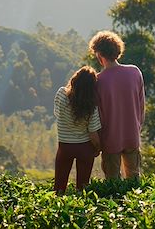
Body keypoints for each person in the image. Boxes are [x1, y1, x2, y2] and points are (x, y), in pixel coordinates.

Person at [89, 31, 145, 180]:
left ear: (100, 55)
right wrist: (137, 128)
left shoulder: (98, 81)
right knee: (134, 180)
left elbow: (97, 114)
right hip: (132, 135)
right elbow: (141, 107)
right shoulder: (135, 72)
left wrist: (97, 141)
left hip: (110, 139)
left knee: (112, 182)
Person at [53, 66, 102, 194]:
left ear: (74, 79)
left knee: (59, 187)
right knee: (83, 188)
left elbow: (57, 114)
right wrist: (97, 149)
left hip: (65, 147)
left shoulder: (61, 94)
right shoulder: (92, 106)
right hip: (85, 148)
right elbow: (93, 133)